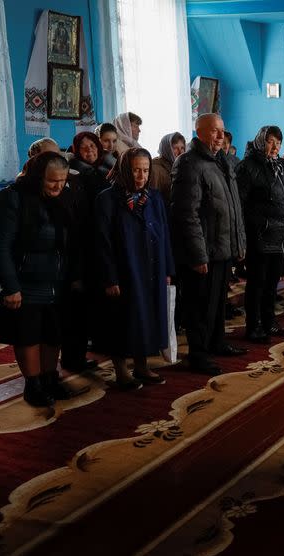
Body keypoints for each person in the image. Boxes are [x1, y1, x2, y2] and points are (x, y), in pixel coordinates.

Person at [0, 152, 81, 407]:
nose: (58, 186)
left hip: (57, 281)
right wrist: (11, 286)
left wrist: (73, 276)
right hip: (25, 283)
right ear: (38, 176)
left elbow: (72, 240)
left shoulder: (64, 197)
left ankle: (50, 378)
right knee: (28, 335)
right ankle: (33, 385)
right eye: (52, 181)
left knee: (53, 333)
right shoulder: (12, 198)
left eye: (63, 181)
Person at [170, 113, 247, 375]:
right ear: (199, 132)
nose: (220, 136)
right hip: (204, 251)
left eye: (222, 131)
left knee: (216, 303)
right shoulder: (188, 163)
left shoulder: (220, 161)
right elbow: (186, 214)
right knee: (199, 306)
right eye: (214, 131)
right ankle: (198, 354)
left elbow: (233, 207)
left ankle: (217, 342)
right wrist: (198, 254)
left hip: (223, 247)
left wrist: (239, 242)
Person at [94, 148, 174, 388]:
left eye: (146, 170)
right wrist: (109, 277)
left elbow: (165, 234)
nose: (141, 176)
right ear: (124, 170)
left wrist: (168, 269)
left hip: (152, 268)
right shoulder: (107, 199)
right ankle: (121, 371)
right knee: (123, 321)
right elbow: (102, 242)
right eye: (136, 170)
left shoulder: (154, 197)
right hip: (125, 270)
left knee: (147, 319)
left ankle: (142, 367)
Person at [236, 126, 284, 343]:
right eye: (271, 141)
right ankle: (253, 326)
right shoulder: (247, 167)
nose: (275, 147)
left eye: (278, 142)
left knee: (272, 283)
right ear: (261, 141)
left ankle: (269, 321)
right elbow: (241, 205)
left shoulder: (283, 165)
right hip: (260, 236)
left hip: (281, 236)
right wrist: (245, 235)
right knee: (257, 284)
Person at [64, 132, 111, 373]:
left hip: (96, 245)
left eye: (92, 145)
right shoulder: (77, 176)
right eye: (83, 148)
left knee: (92, 302)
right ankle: (73, 358)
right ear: (76, 151)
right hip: (81, 246)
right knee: (77, 306)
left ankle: (86, 350)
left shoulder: (103, 169)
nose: (90, 150)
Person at [149, 132, 186, 205]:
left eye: (182, 148)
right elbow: (152, 200)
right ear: (166, 149)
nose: (180, 152)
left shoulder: (179, 167)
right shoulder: (155, 169)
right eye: (175, 148)